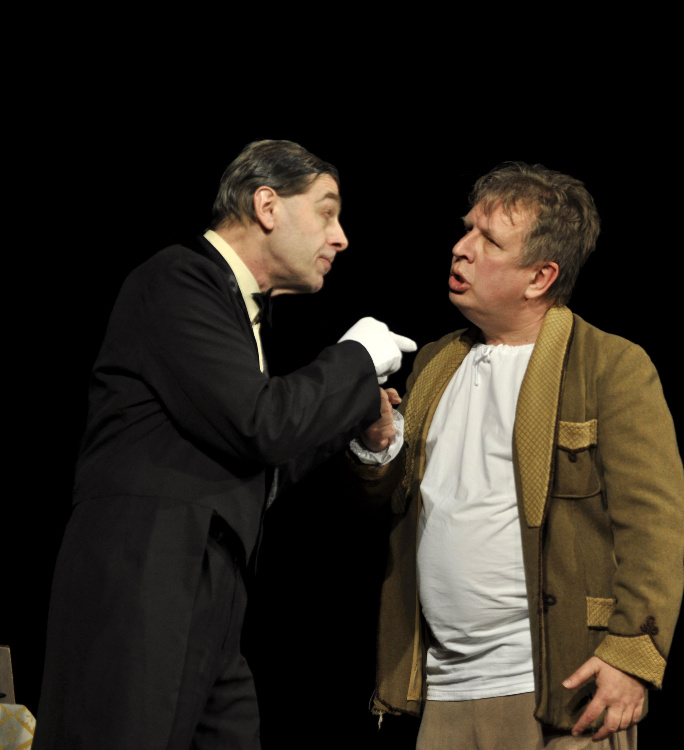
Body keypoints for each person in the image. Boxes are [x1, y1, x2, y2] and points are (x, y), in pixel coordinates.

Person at [33, 139, 416, 750]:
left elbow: (257, 459)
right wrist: (355, 358)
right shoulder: (178, 278)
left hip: (209, 587)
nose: (341, 237)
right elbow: (259, 423)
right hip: (147, 574)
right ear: (267, 206)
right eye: (326, 212)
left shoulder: (239, 312)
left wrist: (354, 422)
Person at [353, 162, 684, 749]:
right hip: (445, 689)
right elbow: (394, 509)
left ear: (540, 277)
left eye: (488, 240)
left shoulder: (607, 366)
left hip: (562, 689)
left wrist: (632, 655)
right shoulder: (435, 363)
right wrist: (378, 446)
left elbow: (655, 525)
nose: (461, 248)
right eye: (466, 229)